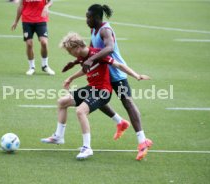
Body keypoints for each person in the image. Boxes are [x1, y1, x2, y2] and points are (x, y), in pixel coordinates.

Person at [62, 4, 153, 161]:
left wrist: (90, 60)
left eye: (88, 17)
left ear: (97, 17)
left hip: (117, 74)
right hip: (103, 75)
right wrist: (75, 62)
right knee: (95, 99)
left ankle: (142, 141)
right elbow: (89, 50)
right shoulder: (94, 30)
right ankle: (120, 122)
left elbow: (109, 48)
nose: (86, 20)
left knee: (128, 103)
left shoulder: (105, 30)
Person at [41, 32, 150, 160]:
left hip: (102, 91)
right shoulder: (82, 57)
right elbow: (85, 69)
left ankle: (87, 148)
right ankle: (58, 136)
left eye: (70, 51)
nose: (70, 54)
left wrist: (137, 75)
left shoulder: (98, 54)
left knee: (81, 111)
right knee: (62, 102)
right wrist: (71, 78)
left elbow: (119, 65)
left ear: (77, 48)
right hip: (91, 89)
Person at [11, 0, 55, 76]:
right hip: (27, 20)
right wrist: (16, 21)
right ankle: (32, 67)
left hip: (41, 20)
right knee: (29, 44)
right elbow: (21, 6)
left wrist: (46, 6)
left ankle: (45, 65)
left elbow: (51, 1)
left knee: (44, 42)